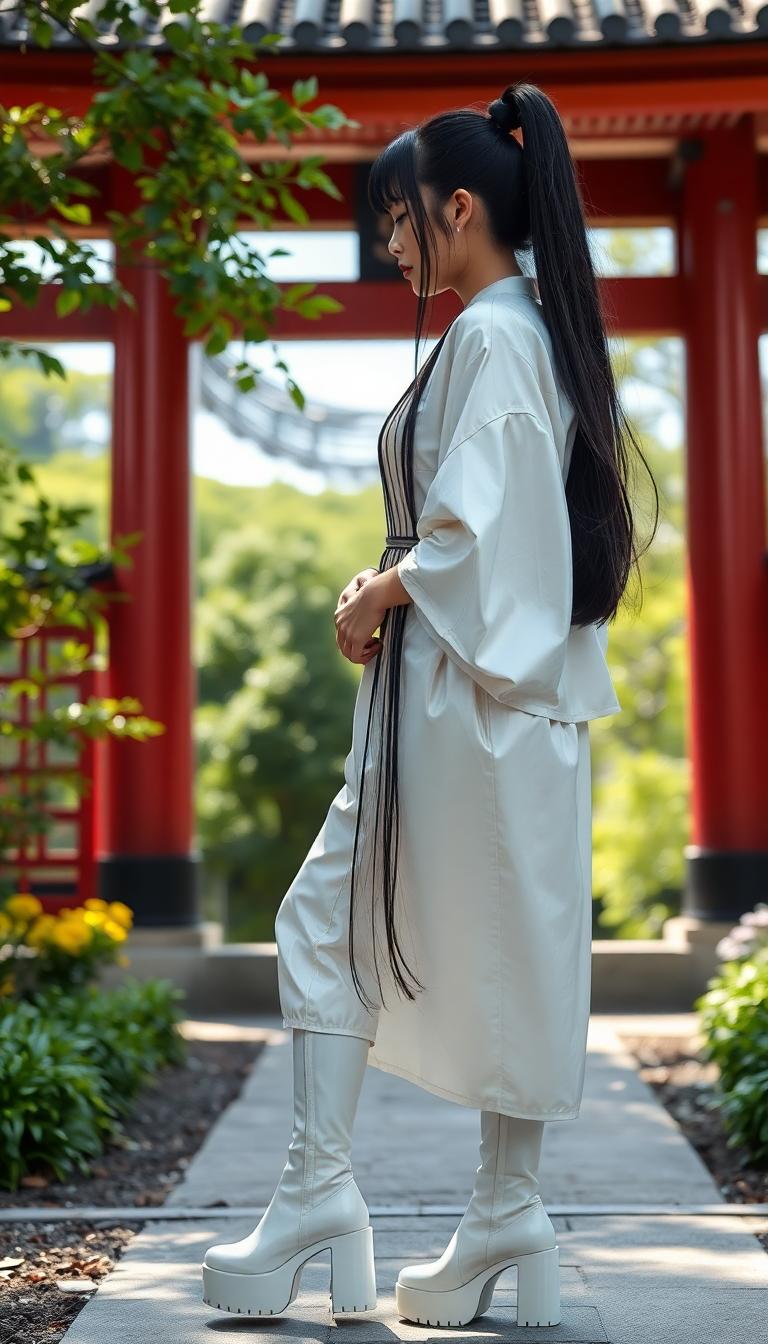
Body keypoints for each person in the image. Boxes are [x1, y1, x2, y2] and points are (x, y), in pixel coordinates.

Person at [201, 80, 659, 1327]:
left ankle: (317, 1197)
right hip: (505, 698)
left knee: (324, 920)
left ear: (460, 210)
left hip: (466, 699)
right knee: (509, 944)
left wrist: (377, 593)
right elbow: (491, 533)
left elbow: (467, 540)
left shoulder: (491, 337)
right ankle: (503, 1214)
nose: (392, 248)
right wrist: (401, 585)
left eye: (402, 223)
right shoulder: (530, 332)